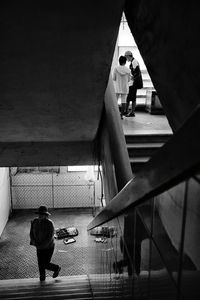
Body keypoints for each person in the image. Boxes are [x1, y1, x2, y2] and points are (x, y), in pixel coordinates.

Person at [30, 205, 61, 282]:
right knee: (40, 264)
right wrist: (34, 242)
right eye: (39, 214)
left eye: (42, 214)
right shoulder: (34, 221)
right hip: (39, 246)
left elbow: (50, 237)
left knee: (45, 264)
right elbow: (31, 233)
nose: (40, 216)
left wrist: (42, 245)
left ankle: (56, 268)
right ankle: (42, 279)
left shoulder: (49, 223)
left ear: (46, 215)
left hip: (48, 247)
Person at [124, 51, 143, 117]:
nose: (126, 59)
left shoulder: (134, 62)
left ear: (128, 56)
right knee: (132, 97)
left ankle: (132, 112)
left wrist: (133, 78)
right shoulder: (133, 62)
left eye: (126, 57)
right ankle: (129, 111)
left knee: (131, 97)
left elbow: (137, 72)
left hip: (134, 83)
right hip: (133, 82)